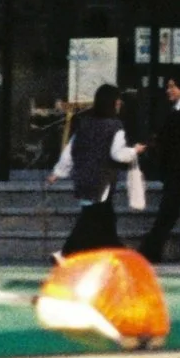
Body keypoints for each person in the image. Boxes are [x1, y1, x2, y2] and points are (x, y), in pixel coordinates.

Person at [56, 82, 142, 255]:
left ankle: (113, 249)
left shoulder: (84, 123)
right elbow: (117, 154)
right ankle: (66, 253)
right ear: (113, 103)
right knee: (92, 216)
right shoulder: (115, 126)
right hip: (102, 180)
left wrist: (58, 172)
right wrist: (135, 150)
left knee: (104, 216)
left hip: (83, 179)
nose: (119, 105)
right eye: (118, 101)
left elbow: (70, 149)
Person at [145, 74, 180, 259]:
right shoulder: (176, 109)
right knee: (169, 211)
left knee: (168, 211)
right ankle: (152, 248)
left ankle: (152, 249)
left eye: (172, 86)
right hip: (179, 170)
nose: (168, 90)